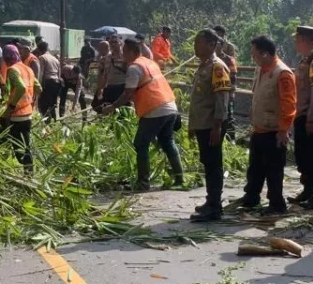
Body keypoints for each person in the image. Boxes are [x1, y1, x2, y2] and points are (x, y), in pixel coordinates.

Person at [99, 39, 184, 190]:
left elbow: (127, 93)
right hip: (170, 106)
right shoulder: (149, 62)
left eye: (124, 52)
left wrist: (112, 107)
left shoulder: (134, 68)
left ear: (132, 52)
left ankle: (143, 183)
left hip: (155, 109)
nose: (122, 55)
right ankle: (179, 179)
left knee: (140, 143)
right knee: (167, 142)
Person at [236, 36, 295, 214]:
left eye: (254, 54)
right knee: (255, 166)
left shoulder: (282, 73)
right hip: (259, 127)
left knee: (273, 170)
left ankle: (277, 203)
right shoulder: (260, 69)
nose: (252, 57)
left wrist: (284, 130)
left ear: (265, 54)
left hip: (274, 130)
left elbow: (289, 104)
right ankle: (252, 196)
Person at [188, 29, 234, 221]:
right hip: (202, 124)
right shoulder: (204, 66)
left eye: (199, 42)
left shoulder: (217, 67)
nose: (195, 46)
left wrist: (217, 127)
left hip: (211, 125)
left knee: (214, 164)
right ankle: (210, 200)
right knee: (208, 163)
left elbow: (221, 100)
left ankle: (215, 206)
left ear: (211, 45)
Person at [289, 26, 313, 210]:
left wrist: (312, 119)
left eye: (297, 40)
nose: (295, 43)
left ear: (305, 40)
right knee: (302, 156)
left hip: (311, 115)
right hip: (302, 113)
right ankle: (308, 190)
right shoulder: (305, 60)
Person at [0, 44, 37, 171]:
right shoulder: (28, 69)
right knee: (24, 145)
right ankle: (28, 171)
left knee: (11, 144)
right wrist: (30, 101)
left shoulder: (13, 69)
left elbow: (21, 87)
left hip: (16, 116)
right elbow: (38, 87)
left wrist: (12, 105)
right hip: (27, 114)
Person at [213, 25, 239, 139]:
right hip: (215, 90)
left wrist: (232, 91)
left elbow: (233, 75)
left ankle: (231, 137)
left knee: (229, 113)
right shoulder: (210, 59)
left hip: (226, 89)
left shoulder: (228, 58)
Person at [95, 37, 128, 109]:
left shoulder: (126, 57)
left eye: (115, 42)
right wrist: (100, 88)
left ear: (120, 43)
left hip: (123, 87)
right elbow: (105, 74)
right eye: (111, 42)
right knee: (108, 108)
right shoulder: (107, 58)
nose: (113, 44)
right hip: (111, 86)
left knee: (123, 110)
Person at [33, 41, 63, 120]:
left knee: (43, 104)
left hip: (48, 82)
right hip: (56, 83)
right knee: (53, 104)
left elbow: (41, 73)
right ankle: (54, 120)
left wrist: (39, 86)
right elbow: (59, 74)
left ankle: (46, 123)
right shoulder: (55, 59)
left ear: (39, 50)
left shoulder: (42, 57)